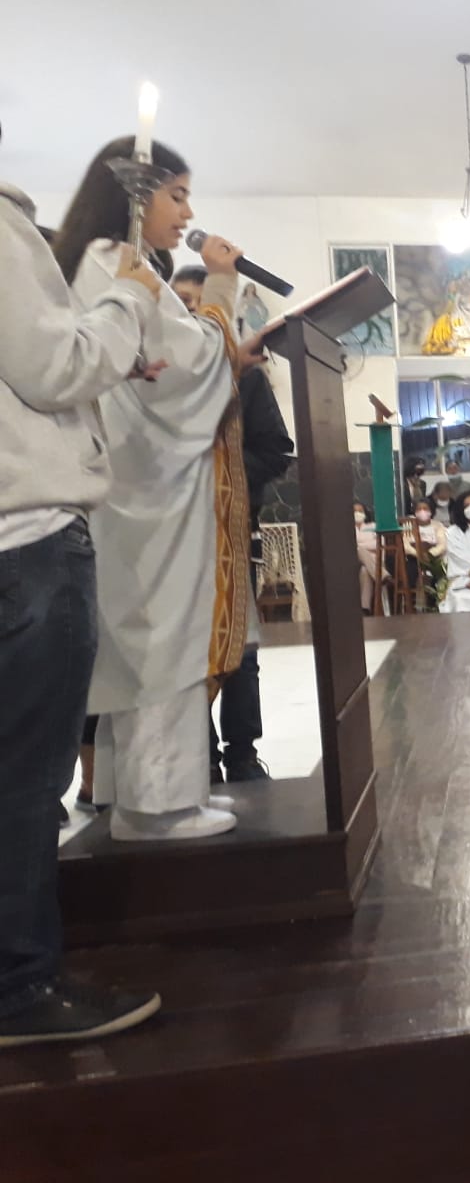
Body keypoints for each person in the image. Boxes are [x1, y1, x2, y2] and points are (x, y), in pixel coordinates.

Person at [0, 137, 166, 1044]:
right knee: (26, 780)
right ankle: (20, 986)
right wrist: (130, 301)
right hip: (24, 537)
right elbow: (53, 368)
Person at [57, 136, 254, 842]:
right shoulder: (118, 262)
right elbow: (187, 365)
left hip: (138, 478)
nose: (188, 212)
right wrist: (222, 291)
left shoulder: (100, 262)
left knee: (145, 640)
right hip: (151, 485)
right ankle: (159, 809)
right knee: (162, 637)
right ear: (135, 194)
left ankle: (135, 795)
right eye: (177, 194)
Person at [173, 267, 292, 785]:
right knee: (185, 647)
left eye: (200, 302)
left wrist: (223, 476)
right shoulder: (165, 375)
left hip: (230, 528)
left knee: (239, 645)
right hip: (172, 533)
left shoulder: (247, 378)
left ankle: (242, 753)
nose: (190, 311)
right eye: (181, 302)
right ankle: (199, 756)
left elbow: (276, 450)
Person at [403, 497, 449, 607]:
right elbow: (405, 545)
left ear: (431, 511)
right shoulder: (409, 525)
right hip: (414, 558)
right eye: (419, 509)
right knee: (410, 569)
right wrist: (419, 554)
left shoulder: (438, 525)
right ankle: (412, 603)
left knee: (439, 571)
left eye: (425, 509)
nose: (422, 511)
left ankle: (434, 601)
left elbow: (442, 545)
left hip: (433, 558)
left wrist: (429, 554)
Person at [354, 501, 381, 614]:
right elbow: (350, 546)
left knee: (365, 571)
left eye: (360, 511)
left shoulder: (373, 526)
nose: (357, 513)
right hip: (355, 561)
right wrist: (364, 547)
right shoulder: (346, 528)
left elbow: (379, 544)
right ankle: (382, 576)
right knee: (359, 550)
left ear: (365, 513)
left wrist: (359, 545)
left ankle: (365, 608)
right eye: (355, 511)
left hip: (374, 560)